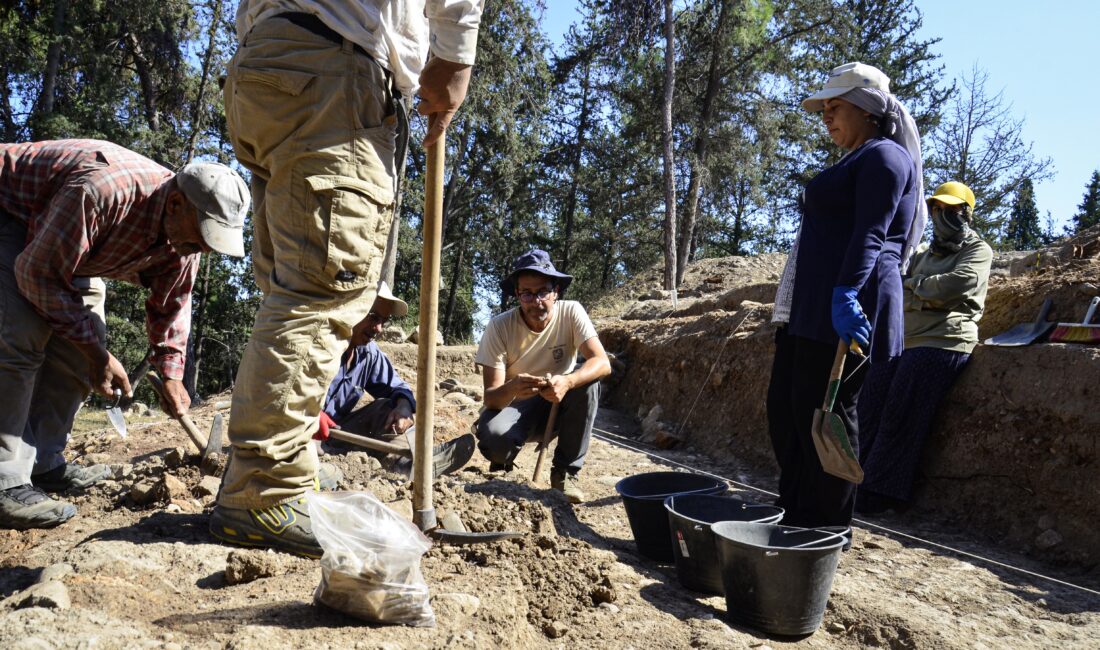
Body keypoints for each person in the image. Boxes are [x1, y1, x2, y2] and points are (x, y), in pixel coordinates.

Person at [213, 1, 483, 557]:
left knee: (293, 284)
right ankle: (263, 491)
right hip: (331, 70)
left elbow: (395, 390)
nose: (377, 328)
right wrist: (454, 57)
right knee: (322, 287)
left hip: (264, 66)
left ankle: (280, 470)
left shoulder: (374, 361)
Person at [0, 139, 249, 530]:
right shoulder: (101, 192)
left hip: (66, 243)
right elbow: (37, 275)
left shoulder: (186, 240)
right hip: (11, 214)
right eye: (201, 235)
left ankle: (44, 463)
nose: (200, 248)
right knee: (19, 335)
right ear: (175, 204)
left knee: (80, 344)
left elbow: (172, 306)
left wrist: (171, 375)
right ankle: (4, 480)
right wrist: (98, 355)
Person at [766, 62, 926, 528]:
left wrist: (847, 294)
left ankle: (826, 528)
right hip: (813, 309)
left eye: (834, 107)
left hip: (848, 307)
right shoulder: (857, 158)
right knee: (789, 411)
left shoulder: (885, 158)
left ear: (867, 108)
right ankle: (795, 511)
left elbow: (871, 234)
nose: (825, 117)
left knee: (828, 416)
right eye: (823, 109)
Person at [855, 182, 993, 514]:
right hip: (905, 339)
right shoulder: (923, 253)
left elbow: (956, 285)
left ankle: (881, 491)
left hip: (944, 341)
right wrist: (923, 294)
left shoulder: (978, 250)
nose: (941, 215)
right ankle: (850, 480)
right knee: (869, 402)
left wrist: (914, 288)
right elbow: (897, 286)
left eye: (950, 210)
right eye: (936, 209)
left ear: (966, 213)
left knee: (900, 411)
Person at [474, 249, 612, 504]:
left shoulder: (571, 312)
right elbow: (491, 398)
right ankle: (502, 457)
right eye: (527, 293)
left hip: (561, 404)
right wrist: (514, 387)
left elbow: (602, 363)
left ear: (556, 291)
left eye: (543, 292)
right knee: (494, 440)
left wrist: (568, 381)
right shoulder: (499, 326)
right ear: (517, 295)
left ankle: (565, 472)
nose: (536, 301)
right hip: (518, 406)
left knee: (588, 382)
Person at [317, 281, 475, 476]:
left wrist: (403, 407)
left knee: (387, 407)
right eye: (373, 317)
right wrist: (308, 414)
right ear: (352, 307)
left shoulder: (368, 352)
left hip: (334, 433)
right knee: (324, 470)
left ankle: (406, 463)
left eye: (384, 320)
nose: (379, 328)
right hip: (297, 433)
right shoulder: (319, 343)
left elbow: (398, 388)